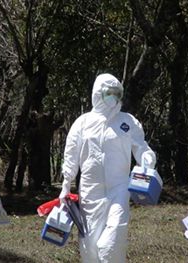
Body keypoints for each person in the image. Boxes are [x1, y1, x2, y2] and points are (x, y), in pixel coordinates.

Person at [59, 73, 156, 263]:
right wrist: (66, 183)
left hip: (119, 189)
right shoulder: (82, 123)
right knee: (89, 245)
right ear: (98, 93)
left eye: (117, 93)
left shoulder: (127, 122)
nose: (114, 97)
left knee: (113, 240)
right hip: (90, 192)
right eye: (108, 93)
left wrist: (147, 159)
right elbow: (71, 156)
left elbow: (141, 146)